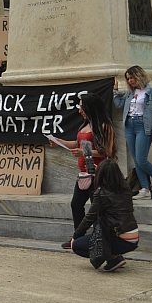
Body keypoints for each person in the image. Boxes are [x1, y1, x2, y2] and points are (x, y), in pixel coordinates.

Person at [49, 93, 116, 250]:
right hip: (83, 173)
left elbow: (108, 151)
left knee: (96, 208)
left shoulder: (105, 127)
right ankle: (78, 237)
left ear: (90, 107)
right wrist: (59, 141)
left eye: (81, 107)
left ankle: (99, 239)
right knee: (76, 204)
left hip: (97, 173)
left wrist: (85, 152)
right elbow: (76, 143)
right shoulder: (84, 125)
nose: (79, 110)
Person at [71, 159, 139, 271]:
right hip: (133, 236)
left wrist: (75, 236)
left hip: (120, 237)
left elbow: (89, 218)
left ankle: (112, 258)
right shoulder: (126, 187)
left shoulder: (101, 194)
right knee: (101, 223)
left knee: (77, 245)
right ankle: (114, 256)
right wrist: (99, 172)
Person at [113, 66, 152, 200]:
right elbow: (118, 105)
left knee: (142, 160)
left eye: (132, 77)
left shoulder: (151, 92)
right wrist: (115, 91)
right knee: (136, 160)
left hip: (143, 126)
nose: (130, 81)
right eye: (128, 79)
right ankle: (145, 189)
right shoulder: (130, 93)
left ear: (139, 76)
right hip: (129, 126)